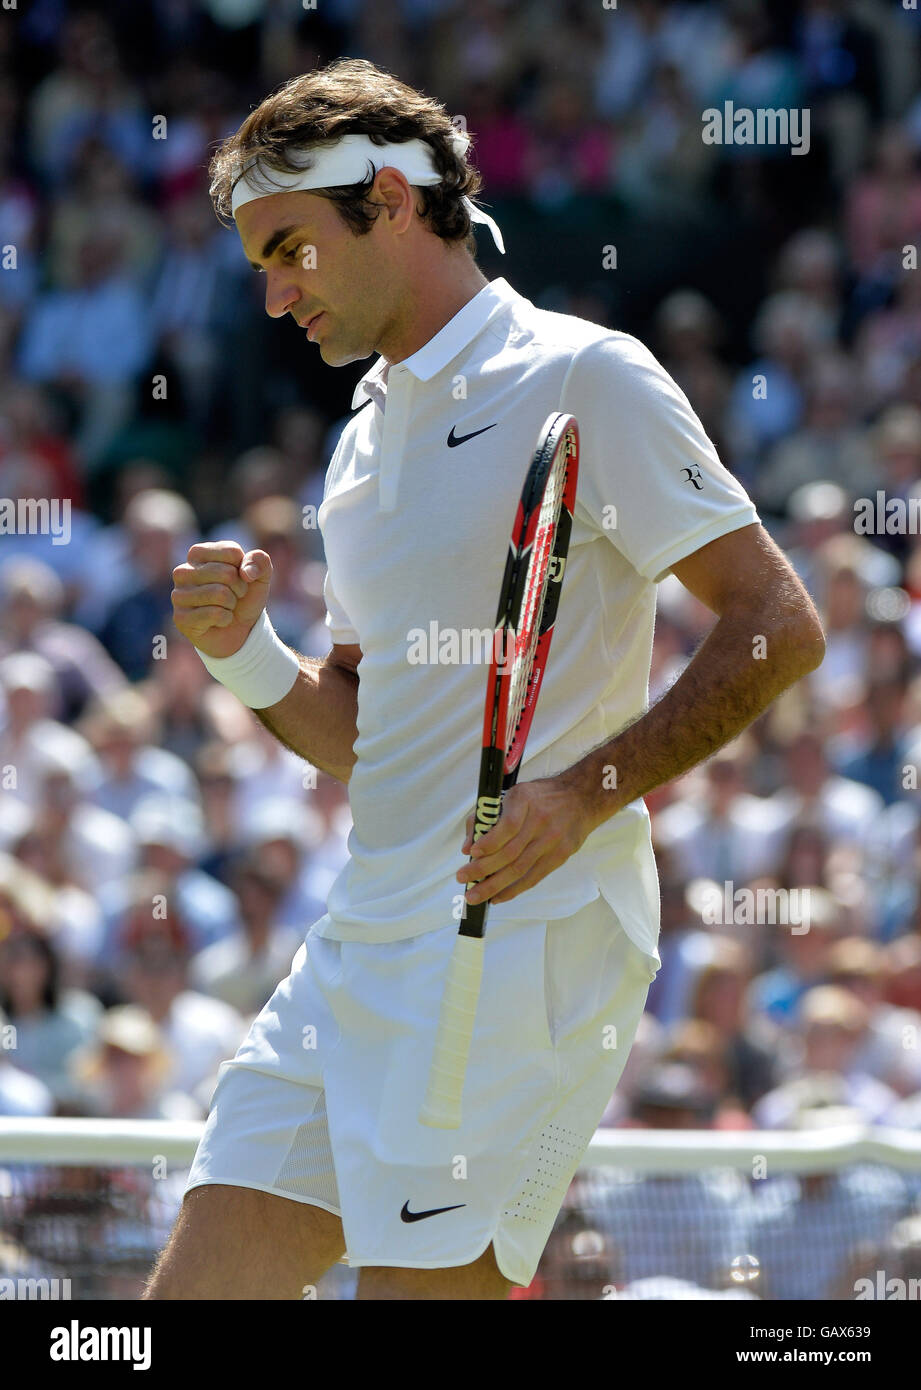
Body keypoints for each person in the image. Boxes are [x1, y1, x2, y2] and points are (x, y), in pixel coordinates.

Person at [150, 58, 824, 1302]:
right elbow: (367, 733)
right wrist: (244, 654)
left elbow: (779, 624)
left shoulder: (588, 374)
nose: (274, 292)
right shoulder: (356, 444)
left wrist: (582, 793)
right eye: (257, 263)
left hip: (528, 940)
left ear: (394, 198)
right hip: (365, 937)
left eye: (290, 247)